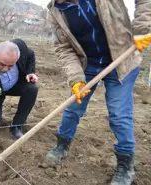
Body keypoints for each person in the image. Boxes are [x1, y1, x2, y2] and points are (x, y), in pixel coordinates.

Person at [45, 0, 151, 185]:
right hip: (88, 64)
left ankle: (125, 165)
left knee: (119, 114)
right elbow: (63, 48)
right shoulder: (55, 12)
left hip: (121, 61)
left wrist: (143, 26)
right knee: (73, 108)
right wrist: (76, 78)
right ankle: (61, 146)